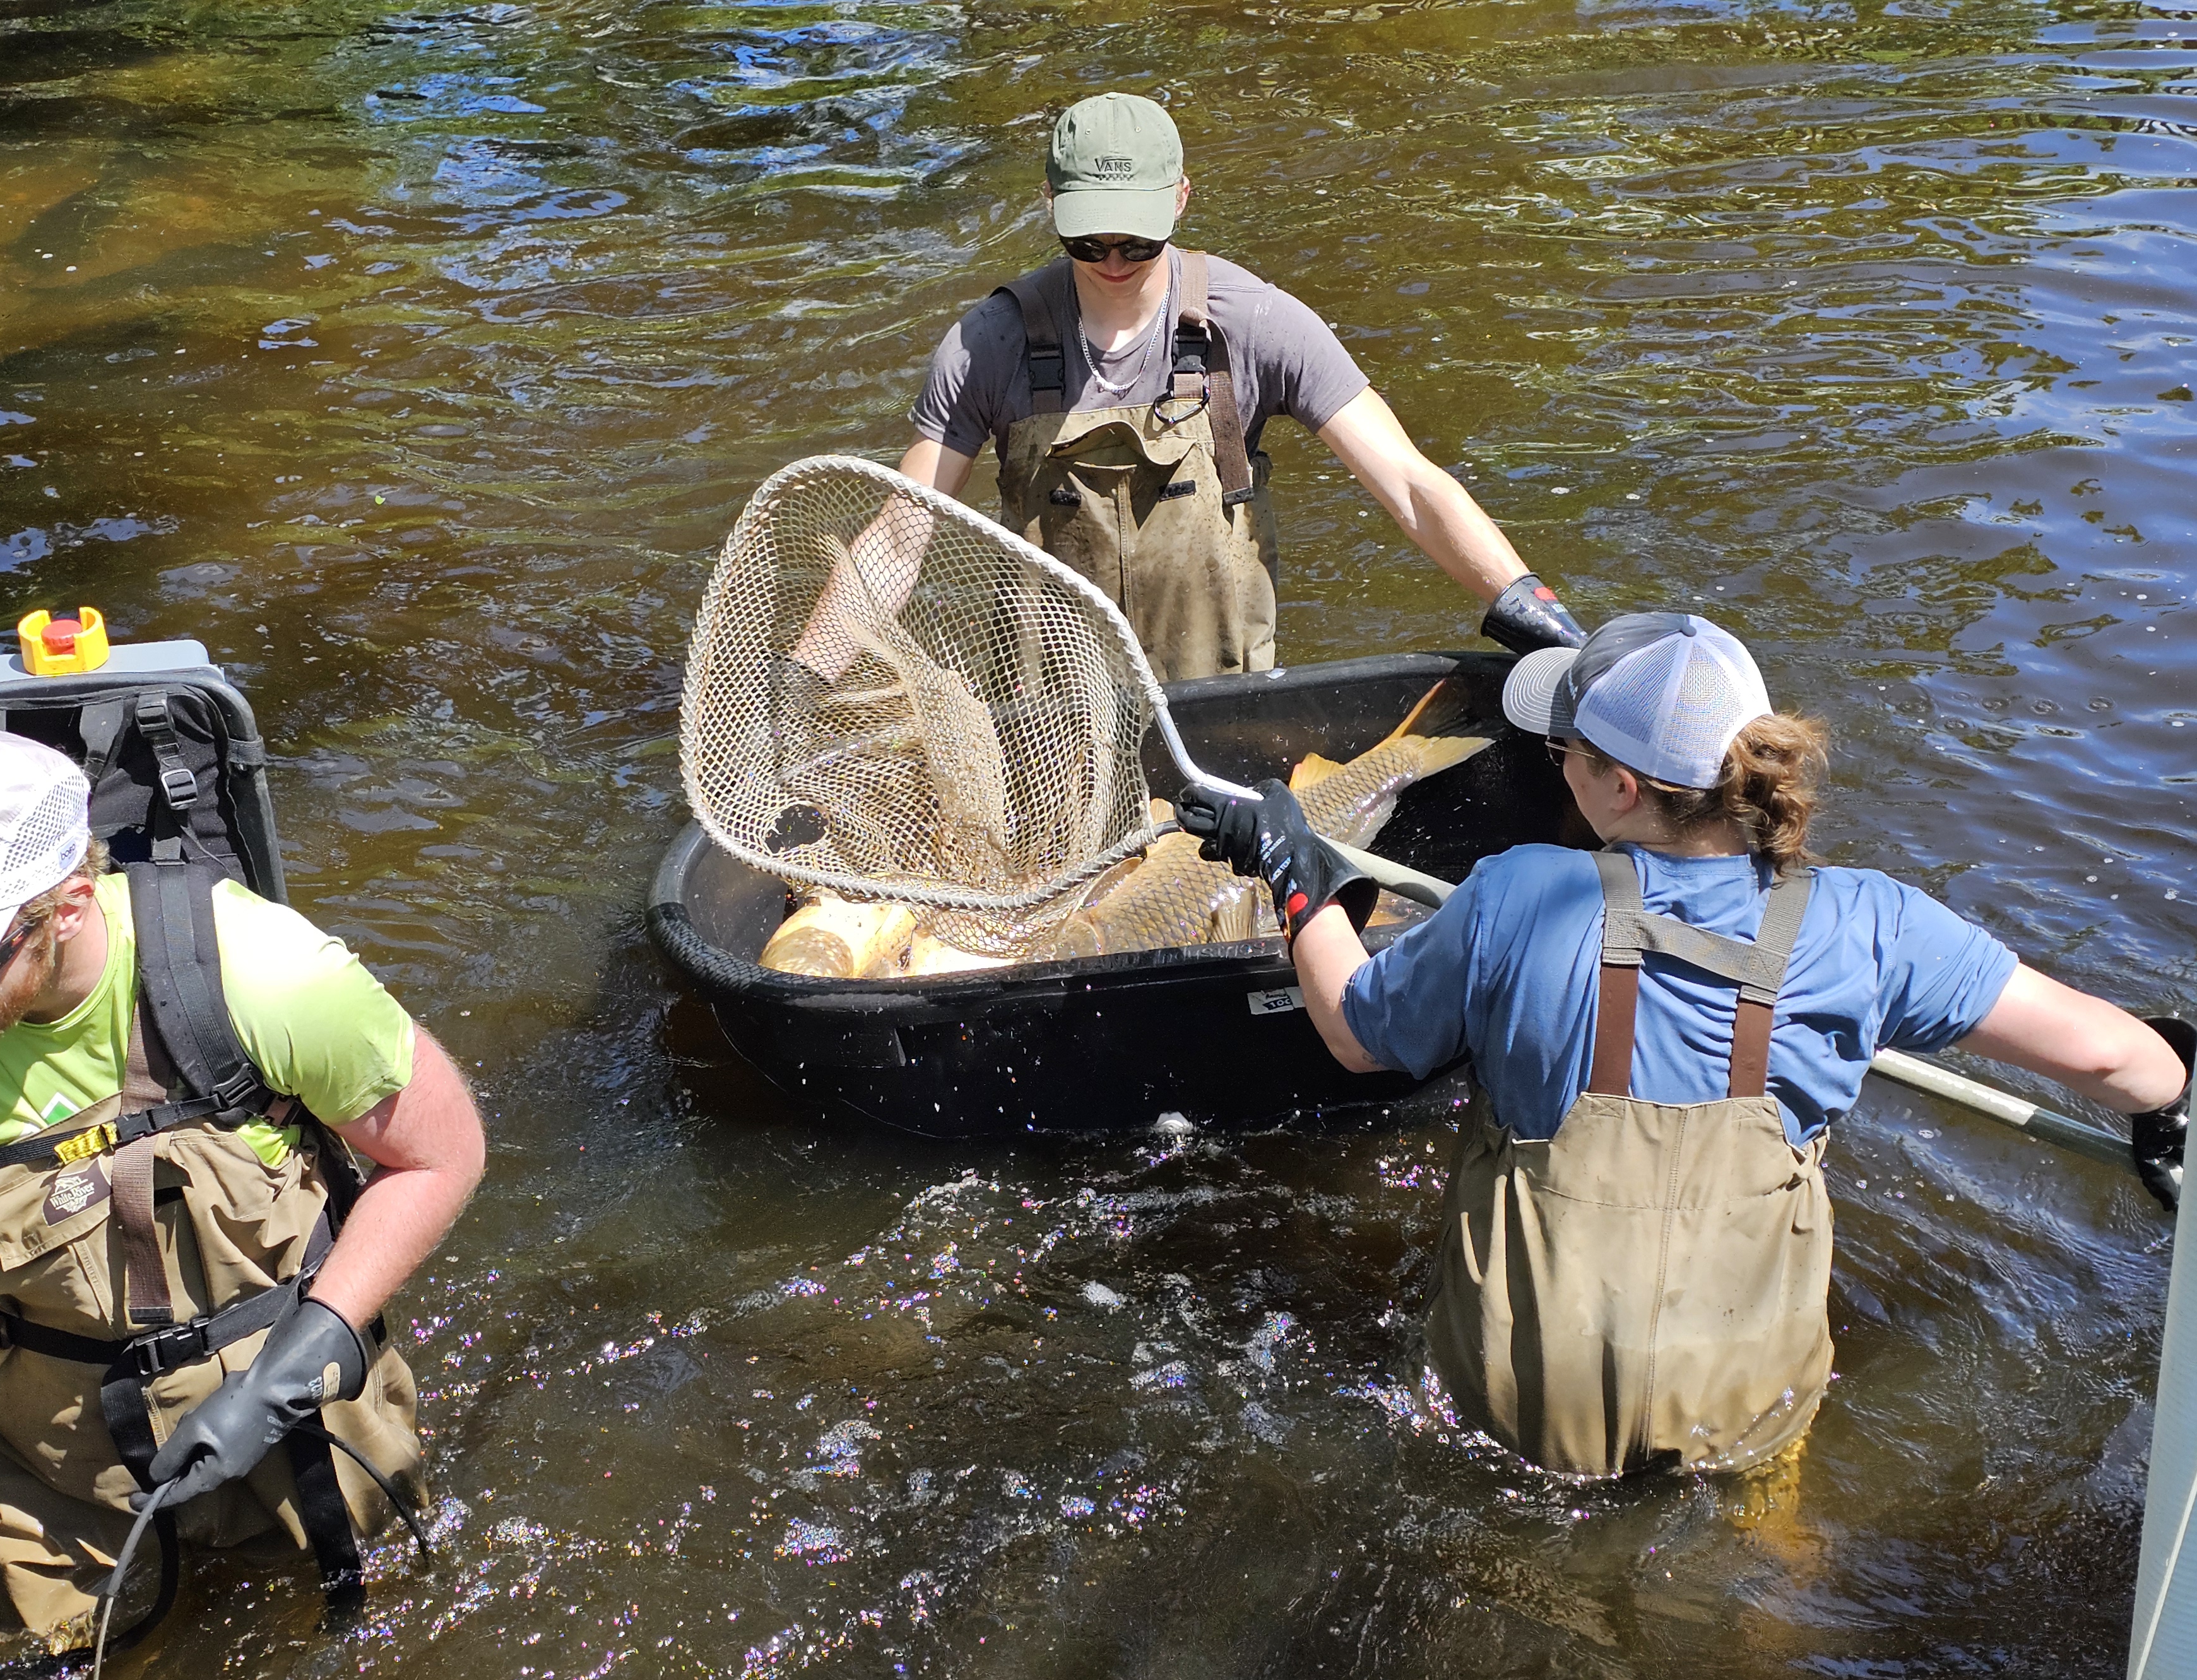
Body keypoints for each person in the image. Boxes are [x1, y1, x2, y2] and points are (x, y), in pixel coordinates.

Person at [1180, 612, 2193, 1477]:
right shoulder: (1877, 923)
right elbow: (2119, 1062)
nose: (1557, 765)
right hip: (1740, 1396)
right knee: (1755, 1548)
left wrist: (1299, 882)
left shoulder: (1521, 892)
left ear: (1619, 787)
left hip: (1527, 1395)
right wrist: (2171, 1101)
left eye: (1563, 750)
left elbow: (1356, 1034)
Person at [0, 729, 487, 1642]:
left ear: (67, 902)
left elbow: (440, 1153)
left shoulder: (258, 972)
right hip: (38, 1461)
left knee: (381, 1636)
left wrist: (313, 1352)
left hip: (287, 1401)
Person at [899, 91, 1586, 682]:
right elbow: (901, 533)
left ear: (1181, 198)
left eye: (1138, 241)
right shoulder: (988, 343)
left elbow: (1410, 485)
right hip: (1048, 708)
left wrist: (1545, 622)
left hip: (1222, 702)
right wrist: (803, 679)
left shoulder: (1255, 322)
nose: (1113, 261)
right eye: (1088, 241)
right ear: (1048, 204)